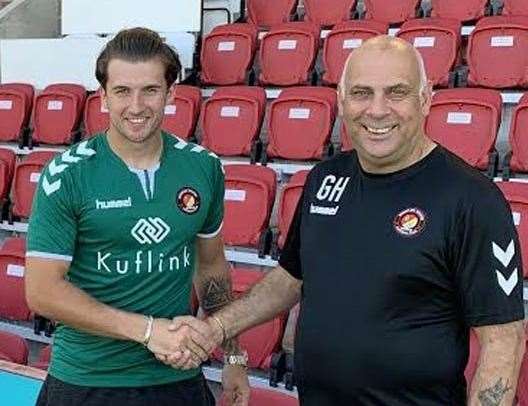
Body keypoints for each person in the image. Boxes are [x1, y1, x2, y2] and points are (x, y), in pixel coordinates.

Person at [179, 36, 526, 405]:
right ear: (342, 101)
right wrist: (216, 327)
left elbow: (503, 339)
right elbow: (290, 279)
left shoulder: (472, 198)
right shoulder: (324, 180)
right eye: (361, 93)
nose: (377, 110)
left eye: (396, 93)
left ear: (425, 99)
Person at [25, 27, 249, 406]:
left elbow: (211, 269)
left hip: (176, 377)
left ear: (171, 93)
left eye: (150, 90)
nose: (136, 106)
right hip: (86, 379)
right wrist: (147, 332)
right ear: (103, 97)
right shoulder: (66, 175)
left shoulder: (203, 168)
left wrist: (234, 357)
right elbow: (42, 292)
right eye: (122, 91)